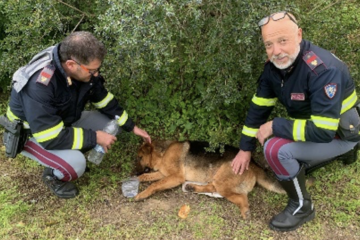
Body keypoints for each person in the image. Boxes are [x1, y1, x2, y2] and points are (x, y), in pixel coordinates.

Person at [231, 11, 359, 232]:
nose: (276, 51)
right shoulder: (273, 68)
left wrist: (275, 125)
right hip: (326, 128)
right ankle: (342, 154)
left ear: (299, 35)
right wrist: (245, 148)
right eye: (269, 44)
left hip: (341, 132)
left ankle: (302, 207)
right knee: (277, 144)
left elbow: (323, 131)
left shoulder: (322, 70)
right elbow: (258, 108)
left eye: (283, 41)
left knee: (274, 149)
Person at [5, 31, 151, 199]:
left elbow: (102, 98)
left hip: (62, 123)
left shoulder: (80, 70)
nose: (96, 74)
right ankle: (53, 175)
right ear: (71, 64)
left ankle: (68, 152)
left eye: (97, 69)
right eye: (92, 70)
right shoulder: (40, 84)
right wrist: (95, 137)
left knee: (111, 125)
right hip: (31, 133)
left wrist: (131, 126)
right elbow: (49, 136)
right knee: (76, 164)